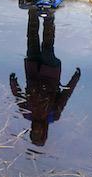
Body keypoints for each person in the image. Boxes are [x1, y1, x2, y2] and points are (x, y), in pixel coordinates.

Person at [9, 9, 81, 147]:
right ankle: (49, 17)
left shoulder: (27, 113)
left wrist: (13, 83)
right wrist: (75, 78)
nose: (36, 130)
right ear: (44, 132)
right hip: (50, 71)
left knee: (32, 40)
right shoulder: (53, 115)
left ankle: (33, 13)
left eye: (34, 132)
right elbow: (66, 95)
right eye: (39, 133)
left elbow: (18, 96)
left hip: (33, 70)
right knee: (47, 47)